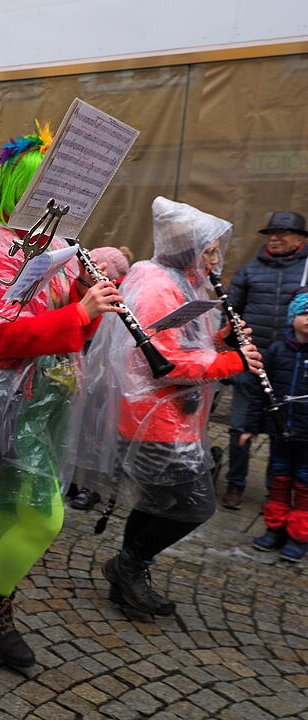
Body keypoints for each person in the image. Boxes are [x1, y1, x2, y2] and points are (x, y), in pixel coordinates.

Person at [0, 123, 124, 667]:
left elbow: (71, 334)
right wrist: (77, 311)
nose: (63, 210)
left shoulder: (57, 252)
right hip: (2, 406)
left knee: (10, 507)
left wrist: (81, 298)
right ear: (19, 193)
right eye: (49, 197)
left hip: (43, 404)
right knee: (44, 517)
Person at [87, 196, 262, 616]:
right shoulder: (157, 285)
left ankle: (126, 578)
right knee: (195, 506)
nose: (216, 260)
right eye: (210, 250)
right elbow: (163, 363)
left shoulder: (182, 281)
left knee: (155, 501)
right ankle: (127, 567)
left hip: (174, 416)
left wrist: (222, 342)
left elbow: (186, 345)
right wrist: (234, 361)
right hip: (156, 418)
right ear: (188, 247)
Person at [222, 210, 308, 509]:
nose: (273, 237)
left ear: (300, 238)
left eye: (282, 232)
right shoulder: (249, 271)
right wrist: (233, 350)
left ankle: (277, 490)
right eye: (270, 232)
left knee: (283, 430)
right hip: (252, 360)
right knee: (240, 426)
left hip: (291, 363)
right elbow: (230, 313)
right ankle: (235, 484)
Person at [242, 290, 308, 561]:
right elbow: (259, 393)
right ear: (292, 317)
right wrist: (251, 427)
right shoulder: (277, 350)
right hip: (280, 431)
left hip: (307, 436)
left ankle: (298, 535)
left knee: (304, 486)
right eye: (304, 313)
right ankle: (275, 528)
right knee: (278, 480)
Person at [69, 245, 132, 512]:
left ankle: (91, 487)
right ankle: (70, 481)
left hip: (104, 383)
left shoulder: (120, 301)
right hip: (79, 374)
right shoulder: (86, 294)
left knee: (97, 433)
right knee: (73, 430)